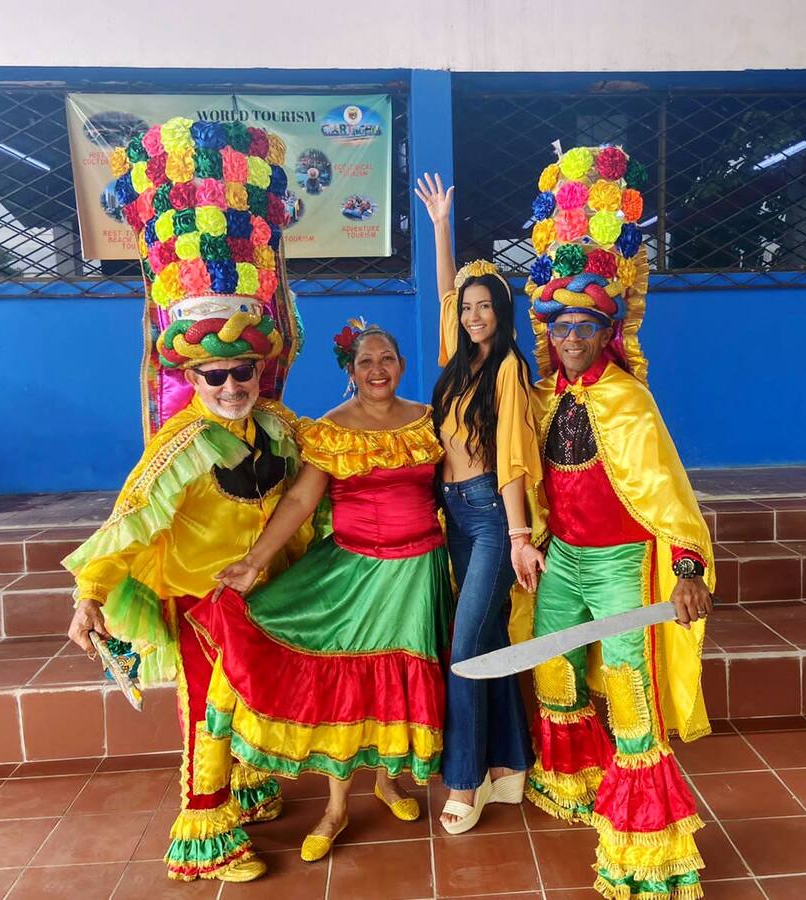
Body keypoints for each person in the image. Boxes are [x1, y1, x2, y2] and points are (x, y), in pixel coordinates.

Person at [63, 116, 306, 884]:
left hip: (263, 588)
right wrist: (89, 596)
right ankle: (204, 830)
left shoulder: (281, 428)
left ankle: (249, 787)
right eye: (217, 377)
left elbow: (322, 488)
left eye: (244, 372)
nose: (234, 387)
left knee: (249, 696)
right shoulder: (179, 446)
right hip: (199, 595)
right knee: (211, 705)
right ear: (191, 380)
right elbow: (128, 524)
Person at [520, 145, 716, 900]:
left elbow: (668, 495)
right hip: (560, 558)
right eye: (560, 325)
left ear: (607, 332)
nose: (571, 336)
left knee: (632, 695)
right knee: (554, 671)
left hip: (621, 563)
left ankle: (647, 857)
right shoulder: (541, 399)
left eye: (585, 326)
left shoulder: (628, 401)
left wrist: (690, 570)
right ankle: (575, 784)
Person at [191, 322, 451, 863]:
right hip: (353, 575)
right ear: (350, 372)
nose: (377, 370)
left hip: (419, 572)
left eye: (386, 359)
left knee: (397, 677)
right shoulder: (332, 429)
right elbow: (300, 503)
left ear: (401, 365)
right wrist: (253, 562)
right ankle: (336, 809)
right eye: (365, 363)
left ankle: (388, 781)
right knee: (349, 681)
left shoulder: (430, 422)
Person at [415, 173, 544, 833]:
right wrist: (440, 225)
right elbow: (443, 295)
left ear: (502, 309)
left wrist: (520, 537)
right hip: (454, 518)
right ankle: (510, 766)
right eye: (467, 308)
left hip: (493, 520)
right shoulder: (457, 364)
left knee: (465, 647)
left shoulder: (509, 371)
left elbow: (516, 456)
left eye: (483, 306)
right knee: (487, 636)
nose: (471, 315)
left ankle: (463, 780)